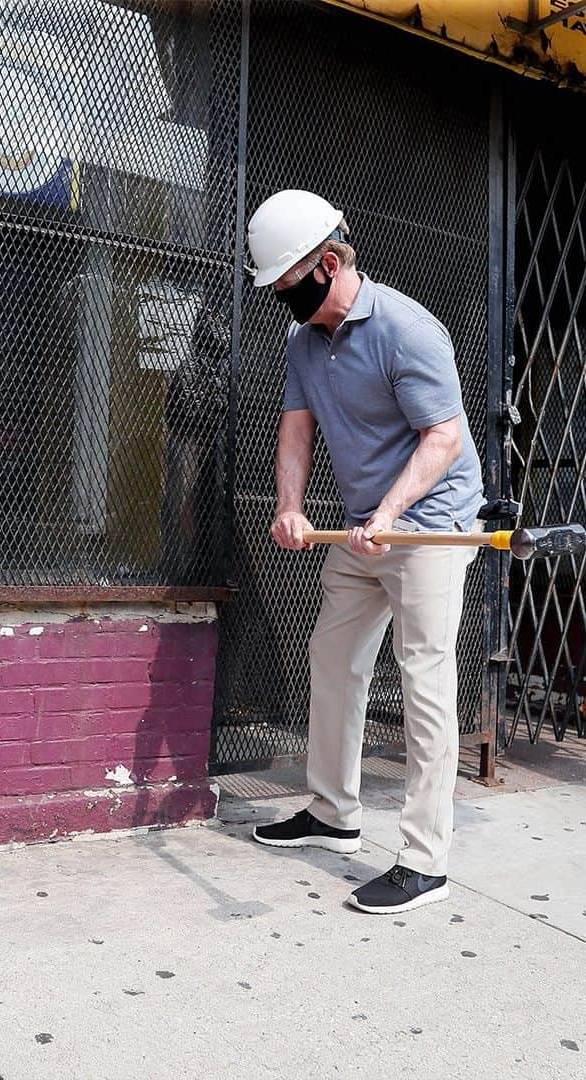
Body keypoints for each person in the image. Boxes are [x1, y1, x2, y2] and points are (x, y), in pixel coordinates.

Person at [246, 189, 483, 915]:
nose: (283, 297)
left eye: (289, 284)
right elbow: (297, 428)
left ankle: (424, 861)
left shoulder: (409, 331)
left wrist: (387, 512)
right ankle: (333, 813)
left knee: (424, 684)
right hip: (358, 530)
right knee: (334, 658)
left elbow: (442, 438)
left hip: (427, 527)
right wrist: (290, 506)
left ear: (329, 262)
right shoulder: (303, 342)